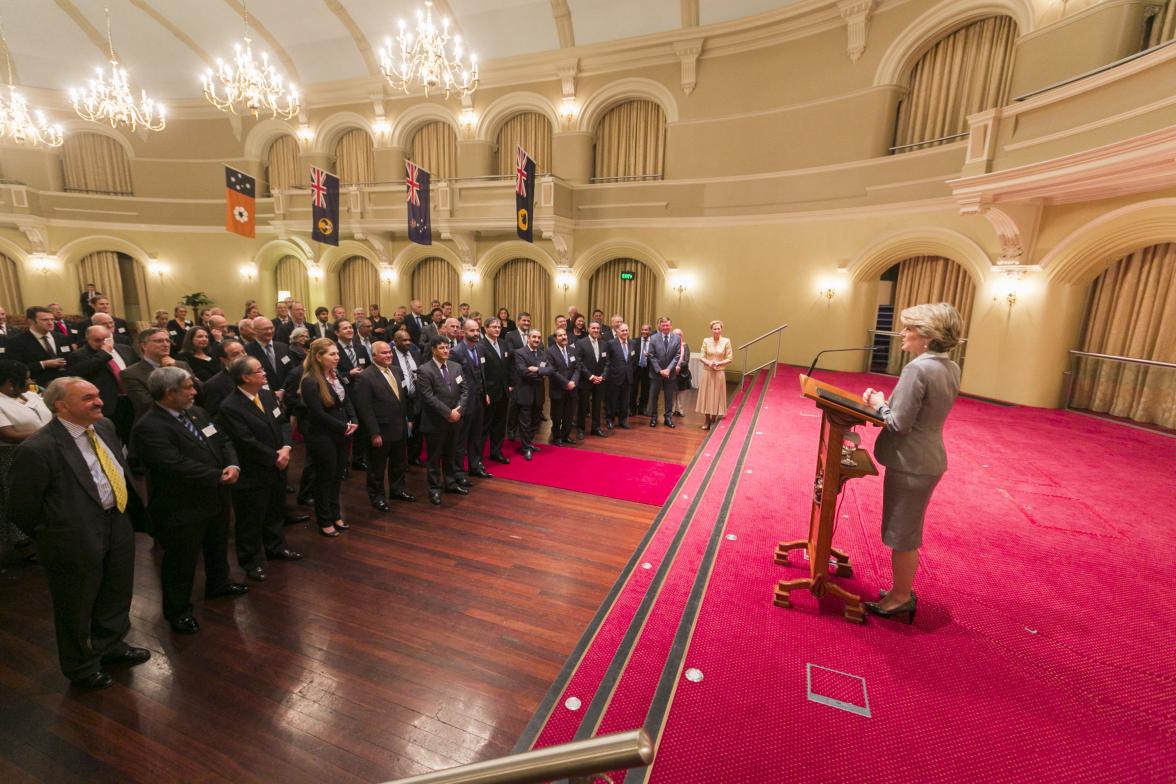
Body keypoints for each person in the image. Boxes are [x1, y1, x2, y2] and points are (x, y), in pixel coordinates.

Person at [7, 377, 150, 688]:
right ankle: (81, 667)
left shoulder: (105, 426)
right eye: (88, 398)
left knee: (116, 590)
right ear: (61, 405)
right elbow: (21, 506)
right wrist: (55, 532)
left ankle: (111, 646)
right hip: (72, 535)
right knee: (76, 602)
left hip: (117, 521)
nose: (99, 402)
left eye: (98, 395)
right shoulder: (38, 448)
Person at [861, 303, 963, 624]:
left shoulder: (918, 369)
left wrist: (879, 404)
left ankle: (901, 597)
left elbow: (898, 424)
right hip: (928, 457)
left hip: (911, 462)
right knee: (907, 529)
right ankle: (899, 591)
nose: (903, 333)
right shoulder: (950, 367)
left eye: (910, 329)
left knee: (902, 533)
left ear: (927, 338)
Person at [131, 367, 247, 635]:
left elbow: (223, 439)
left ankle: (218, 584)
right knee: (181, 561)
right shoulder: (149, 426)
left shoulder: (197, 412)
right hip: (182, 505)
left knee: (217, 543)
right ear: (170, 393)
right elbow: (174, 465)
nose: (195, 391)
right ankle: (178, 611)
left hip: (215, 495)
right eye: (188, 387)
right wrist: (219, 475)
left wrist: (233, 465)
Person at [215, 357, 302, 582]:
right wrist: (275, 457)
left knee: (275, 509)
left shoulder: (265, 394)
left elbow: (282, 422)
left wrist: (286, 447)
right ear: (245, 377)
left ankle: (275, 547)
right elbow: (245, 441)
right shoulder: (230, 406)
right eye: (259, 370)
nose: (264, 373)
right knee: (250, 518)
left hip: (277, 464)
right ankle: (251, 561)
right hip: (253, 470)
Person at [300, 338, 357, 535]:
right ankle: (324, 519)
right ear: (318, 357)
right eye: (332, 354)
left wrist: (353, 420)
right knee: (325, 478)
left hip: (342, 433)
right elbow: (318, 413)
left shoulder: (336, 375)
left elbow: (346, 400)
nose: (337, 357)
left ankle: (335, 514)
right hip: (323, 436)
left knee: (337, 477)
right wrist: (344, 426)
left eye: (337, 354)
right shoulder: (310, 381)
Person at [352, 341, 414, 511]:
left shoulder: (396, 370)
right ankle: (377, 497)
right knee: (376, 468)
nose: (389, 355)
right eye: (384, 353)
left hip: (399, 427)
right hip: (381, 430)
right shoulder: (365, 376)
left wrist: (407, 420)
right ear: (374, 356)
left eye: (390, 352)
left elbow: (402, 397)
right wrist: (374, 433)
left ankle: (397, 490)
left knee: (399, 463)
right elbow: (364, 409)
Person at [416, 335, 469, 505]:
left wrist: (459, 410)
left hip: (456, 419)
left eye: (447, 347)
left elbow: (465, 391)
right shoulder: (424, 370)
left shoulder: (456, 367)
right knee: (434, 458)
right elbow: (428, 397)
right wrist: (449, 413)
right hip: (435, 422)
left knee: (451, 454)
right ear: (433, 350)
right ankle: (434, 489)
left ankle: (451, 483)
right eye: (442, 348)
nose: (446, 350)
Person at [66, 325, 138, 442]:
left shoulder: (125, 349)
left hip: (131, 402)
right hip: (107, 405)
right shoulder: (79, 355)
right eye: (97, 340)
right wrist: (104, 353)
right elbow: (83, 371)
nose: (103, 343)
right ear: (88, 340)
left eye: (106, 339)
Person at [122, 328, 197, 420]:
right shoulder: (131, 373)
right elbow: (146, 404)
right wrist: (168, 371)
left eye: (168, 341)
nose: (166, 344)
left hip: (189, 417)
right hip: (158, 421)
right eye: (159, 341)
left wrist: (176, 370)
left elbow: (198, 391)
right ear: (144, 345)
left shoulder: (181, 365)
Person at [451, 319, 492, 482]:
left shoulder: (480, 349)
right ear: (463, 332)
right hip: (464, 403)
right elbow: (455, 380)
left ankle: (475, 467)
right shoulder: (456, 352)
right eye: (471, 331)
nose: (475, 334)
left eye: (477, 330)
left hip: (480, 401)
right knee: (461, 441)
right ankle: (459, 473)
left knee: (476, 437)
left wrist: (486, 393)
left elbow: (483, 374)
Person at [7, 306, 72, 388]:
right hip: (37, 384)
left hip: (66, 381)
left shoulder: (62, 338)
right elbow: (15, 368)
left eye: (52, 319)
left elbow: (71, 360)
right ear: (31, 321)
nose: (50, 323)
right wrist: (43, 364)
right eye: (45, 320)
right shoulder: (16, 341)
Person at [513, 329, 550, 460]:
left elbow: (550, 369)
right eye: (534, 337)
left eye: (538, 338)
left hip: (539, 394)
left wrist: (538, 370)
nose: (536, 340)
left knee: (535, 421)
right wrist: (541, 375)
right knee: (525, 422)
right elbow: (522, 371)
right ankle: (526, 447)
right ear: (528, 338)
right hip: (525, 393)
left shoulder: (542, 353)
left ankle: (528, 442)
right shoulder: (520, 353)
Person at [479, 317, 511, 464]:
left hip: (503, 392)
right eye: (494, 327)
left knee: (499, 425)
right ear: (486, 328)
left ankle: (496, 452)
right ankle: (478, 458)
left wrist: (510, 385)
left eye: (499, 327)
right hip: (489, 394)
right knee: (485, 426)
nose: (497, 329)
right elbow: (481, 372)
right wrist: (484, 392)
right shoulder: (480, 346)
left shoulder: (503, 344)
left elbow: (507, 367)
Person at [392, 329, 424, 466]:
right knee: (402, 431)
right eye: (404, 340)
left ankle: (413, 457)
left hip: (416, 397)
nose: (408, 343)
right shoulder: (390, 356)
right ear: (395, 341)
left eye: (409, 340)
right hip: (399, 399)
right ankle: (400, 461)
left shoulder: (416, 354)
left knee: (417, 430)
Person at [0, 360, 52, 441]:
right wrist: (52, 433)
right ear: (10, 382)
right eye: (27, 378)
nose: (31, 382)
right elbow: (9, 435)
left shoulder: (31, 394)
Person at [695, 320, 733, 430]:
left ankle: (713, 419)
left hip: (719, 372)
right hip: (707, 371)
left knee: (716, 396)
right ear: (711, 330)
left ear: (721, 329)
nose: (716, 330)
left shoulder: (726, 341)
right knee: (707, 395)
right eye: (714, 328)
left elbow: (729, 358)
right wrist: (709, 363)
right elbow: (702, 356)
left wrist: (718, 363)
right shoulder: (706, 341)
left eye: (718, 328)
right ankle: (706, 420)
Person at [545, 328, 579, 445]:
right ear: (555, 339)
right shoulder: (550, 351)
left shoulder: (572, 350)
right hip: (558, 389)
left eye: (565, 335)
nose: (564, 337)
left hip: (572, 389)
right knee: (557, 415)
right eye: (560, 336)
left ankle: (566, 435)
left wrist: (573, 381)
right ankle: (557, 437)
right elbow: (552, 371)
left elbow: (577, 368)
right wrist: (566, 383)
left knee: (569, 415)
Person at [646, 317, 681, 428]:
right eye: (663, 325)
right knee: (654, 396)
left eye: (667, 325)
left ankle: (668, 418)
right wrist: (660, 370)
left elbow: (677, 356)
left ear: (671, 326)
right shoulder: (653, 338)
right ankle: (654, 417)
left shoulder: (676, 338)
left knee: (668, 397)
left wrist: (668, 369)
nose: (665, 327)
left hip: (670, 374)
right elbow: (651, 355)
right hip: (656, 373)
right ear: (660, 326)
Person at [576, 321, 609, 436]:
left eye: (598, 328)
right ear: (589, 329)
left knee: (597, 405)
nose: (596, 330)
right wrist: (590, 376)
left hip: (600, 380)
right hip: (585, 380)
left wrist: (603, 376)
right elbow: (579, 362)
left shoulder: (604, 344)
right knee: (583, 405)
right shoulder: (581, 343)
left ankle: (596, 428)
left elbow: (607, 362)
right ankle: (580, 429)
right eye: (593, 328)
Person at [199, 338, 247, 416]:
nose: (243, 356)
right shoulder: (213, 385)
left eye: (243, 352)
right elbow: (215, 416)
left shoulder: (257, 373)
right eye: (235, 354)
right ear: (224, 360)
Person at [246, 315, 292, 392]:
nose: (270, 331)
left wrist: (282, 390)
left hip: (286, 392)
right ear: (254, 330)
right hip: (264, 395)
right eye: (265, 329)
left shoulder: (283, 347)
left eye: (271, 328)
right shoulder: (247, 350)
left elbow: (291, 370)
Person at [605, 323, 637, 429]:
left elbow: (632, 359)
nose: (625, 333)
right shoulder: (611, 343)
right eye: (622, 331)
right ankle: (610, 420)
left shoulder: (632, 343)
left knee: (625, 401)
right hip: (614, 377)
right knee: (612, 400)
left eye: (626, 330)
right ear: (618, 332)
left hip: (627, 377)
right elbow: (607, 360)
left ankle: (623, 420)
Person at [631, 323, 653, 416]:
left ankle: (642, 408)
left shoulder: (653, 342)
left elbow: (656, 355)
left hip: (647, 369)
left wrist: (650, 355)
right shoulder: (634, 341)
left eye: (646, 330)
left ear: (650, 331)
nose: (644, 331)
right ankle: (632, 409)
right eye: (642, 330)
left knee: (645, 389)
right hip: (636, 368)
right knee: (633, 389)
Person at [672, 328, 690, 417]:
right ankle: (672, 410)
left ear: (682, 336)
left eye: (679, 334)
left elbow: (686, 360)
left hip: (682, 373)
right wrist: (673, 367)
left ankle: (680, 410)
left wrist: (679, 366)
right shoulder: (669, 345)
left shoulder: (685, 346)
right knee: (672, 392)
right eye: (675, 334)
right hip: (671, 372)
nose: (677, 336)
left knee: (681, 392)